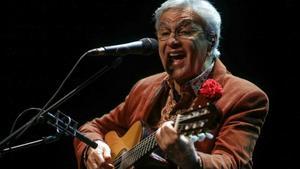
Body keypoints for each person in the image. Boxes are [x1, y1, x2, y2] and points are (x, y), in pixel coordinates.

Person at [73, 0, 269, 168]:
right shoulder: (145, 87)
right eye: (164, 33)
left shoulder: (245, 96)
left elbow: (232, 162)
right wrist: (93, 149)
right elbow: (91, 127)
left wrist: (193, 161)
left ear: (211, 41)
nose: (172, 41)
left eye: (185, 31)